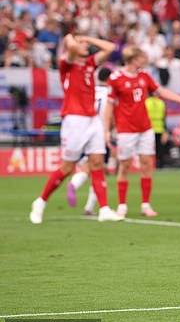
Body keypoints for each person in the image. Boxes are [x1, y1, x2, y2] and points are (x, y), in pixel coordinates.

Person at [29, 35, 122, 224]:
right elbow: (70, 46)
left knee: (97, 163)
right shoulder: (67, 62)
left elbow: (110, 47)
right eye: (83, 44)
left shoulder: (89, 63)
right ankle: (40, 202)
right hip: (74, 120)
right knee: (67, 167)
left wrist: (86, 37)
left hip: (92, 120)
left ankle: (103, 209)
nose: (86, 45)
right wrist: (71, 38)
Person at [104, 46, 180, 218]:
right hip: (126, 129)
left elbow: (160, 91)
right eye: (142, 57)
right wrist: (106, 130)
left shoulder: (144, 76)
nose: (145, 59)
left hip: (145, 128)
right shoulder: (116, 78)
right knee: (124, 166)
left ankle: (145, 204)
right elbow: (109, 106)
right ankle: (122, 205)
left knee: (147, 164)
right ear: (134, 58)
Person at [66, 66, 113, 215]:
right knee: (96, 170)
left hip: (84, 130)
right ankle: (75, 185)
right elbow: (110, 116)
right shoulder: (110, 95)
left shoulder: (91, 91)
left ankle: (89, 207)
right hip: (99, 134)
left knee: (93, 170)